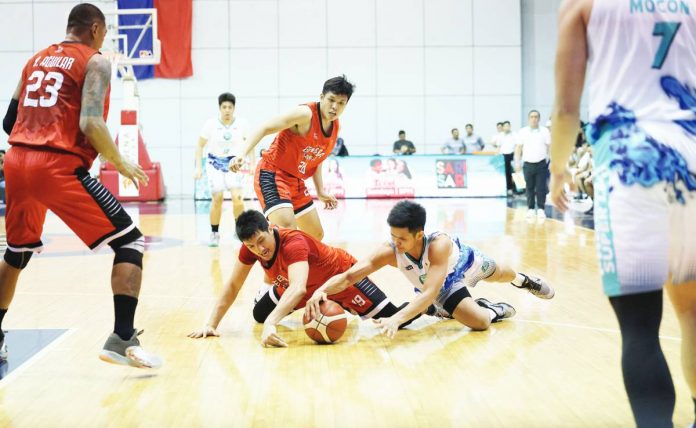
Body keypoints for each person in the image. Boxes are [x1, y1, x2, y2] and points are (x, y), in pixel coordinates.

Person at [549, 1, 696, 426]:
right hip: (690, 151)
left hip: (630, 160)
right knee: (692, 310)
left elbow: (565, 107)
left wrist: (560, 170)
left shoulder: (583, 5)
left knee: (639, 327)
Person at [0, 3, 160, 368]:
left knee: (17, 253)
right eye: (104, 33)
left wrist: (36, 135)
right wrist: (120, 162)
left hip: (16, 161)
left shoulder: (34, 61)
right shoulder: (96, 61)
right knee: (130, 240)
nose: (104, 39)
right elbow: (91, 123)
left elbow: (10, 121)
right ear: (95, 28)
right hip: (56, 165)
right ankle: (122, 337)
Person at [306, 200, 555, 338]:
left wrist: (397, 318)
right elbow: (351, 275)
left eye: (401, 238)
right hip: (442, 286)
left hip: (464, 264)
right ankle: (491, 309)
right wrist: (322, 290)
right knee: (479, 323)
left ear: (419, 235)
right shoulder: (389, 250)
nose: (396, 242)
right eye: (392, 236)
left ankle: (524, 280)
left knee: (501, 273)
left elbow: (426, 294)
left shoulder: (439, 245)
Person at [188, 210, 411, 347]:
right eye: (251, 246)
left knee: (396, 318)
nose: (259, 249)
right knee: (259, 314)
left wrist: (271, 323)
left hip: (340, 278)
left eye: (262, 241)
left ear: (269, 226)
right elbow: (233, 285)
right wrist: (211, 324)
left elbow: (298, 289)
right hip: (298, 283)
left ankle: (432, 303)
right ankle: (322, 304)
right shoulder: (251, 247)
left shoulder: (293, 243)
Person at [229, 76, 354, 241]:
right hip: (272, 174)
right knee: (288, 232)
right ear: (322, 97)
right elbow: (265, 127)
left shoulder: (336, 126)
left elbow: (317, 158)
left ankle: (293, 260)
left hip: (295, 181)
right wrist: (240, 154)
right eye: (331, 100)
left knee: (315, 235)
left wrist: (320, 190)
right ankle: (263, 252)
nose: (334, 107)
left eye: (341, 103)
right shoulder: (305, 114)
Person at [194, 92, 254, 247]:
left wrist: (253, 164)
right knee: (218, 198)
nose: (227, 110)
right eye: (224, 107)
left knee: (237, 198)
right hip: (215, 164)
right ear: (219, 108)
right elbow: (200, 145)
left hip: (234, 164)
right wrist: (198, 168)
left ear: (234, 108)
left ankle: (239, 231)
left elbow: (250, 145)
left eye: (230, 107)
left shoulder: (242, 124)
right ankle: (214, 233)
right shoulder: (210, 124)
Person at [515, 110, 551, 220]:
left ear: (539, 119)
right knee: (529, 187)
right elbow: (518, 148)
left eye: (536, 117)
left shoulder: (545, 131)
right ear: (528, 118)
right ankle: (530, 209)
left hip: (541, 163)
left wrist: (551, 161)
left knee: (541, 187)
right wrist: (517, 163)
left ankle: (541, 209)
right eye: (532, 117)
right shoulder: (523, 131)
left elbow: (550, 146)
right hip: (527, 163)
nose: (534, 119)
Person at [497, 121, 519, 196]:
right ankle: (509, 189)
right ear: (503, 127)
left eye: (508, 126)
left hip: (513, 155)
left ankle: (521, 190)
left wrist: (517, 156)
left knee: (517, 173)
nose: (507, 127)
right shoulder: (500, 135)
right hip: (503, 156)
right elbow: (498, 146)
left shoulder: (514, 134)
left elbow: (517, 145)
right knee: (506, 173)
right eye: (505, 126)